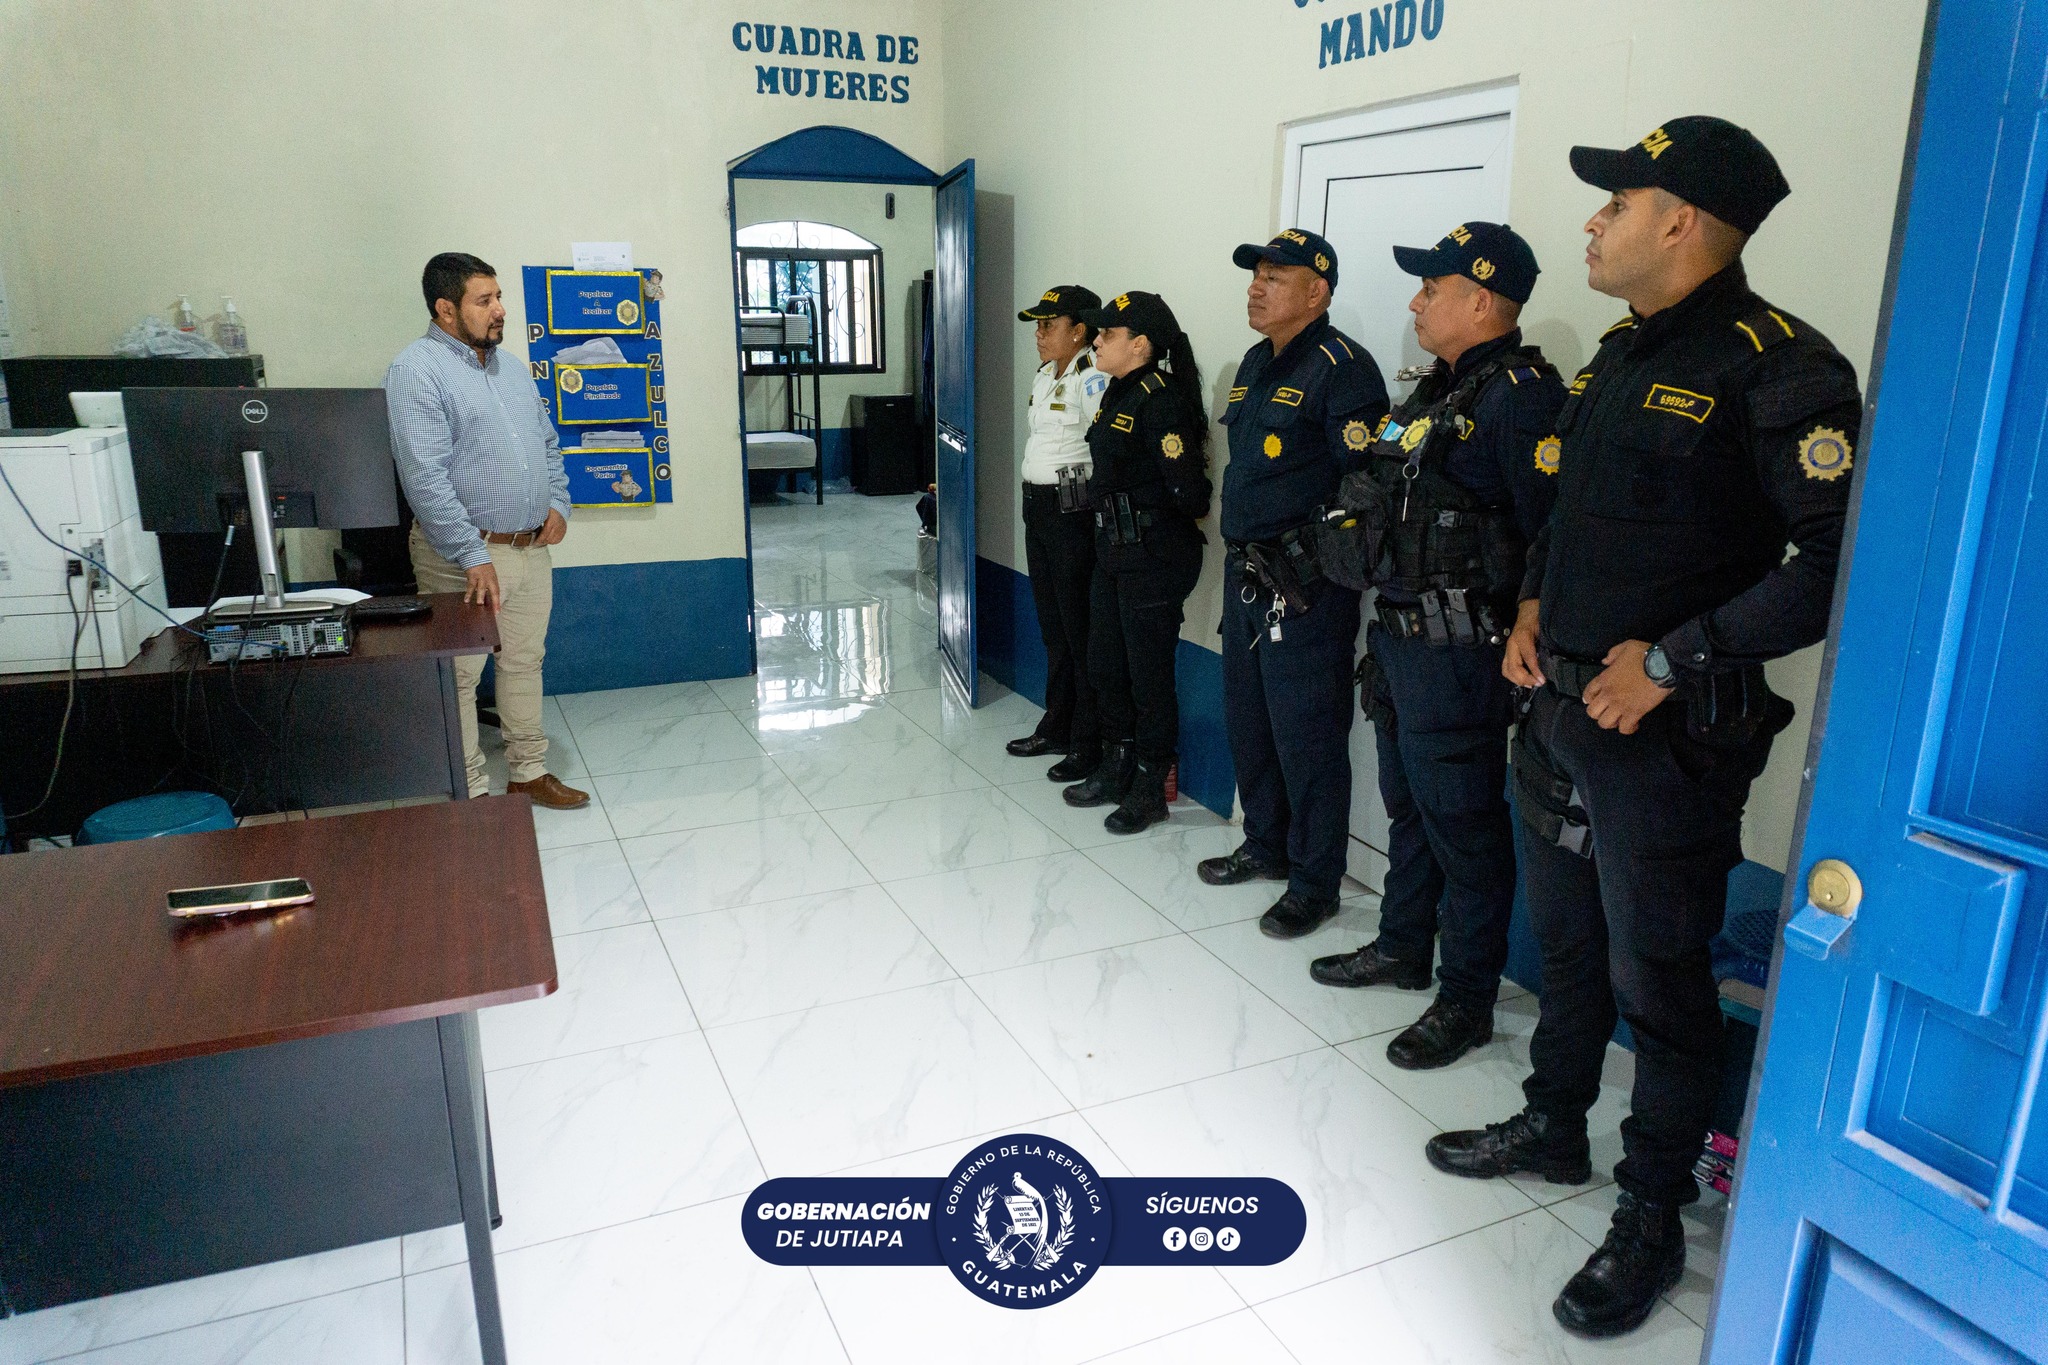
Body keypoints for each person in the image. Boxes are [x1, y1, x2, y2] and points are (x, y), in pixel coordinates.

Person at [1425, 118, 1862, 1338]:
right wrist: (1529, 605)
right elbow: (1567, 518)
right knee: (1566, 948)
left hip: (1661, 742)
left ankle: (1650, 1213)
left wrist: (1674, 660)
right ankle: (1551, 1123)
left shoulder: (1780, 368)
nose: (1592, 220)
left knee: (1657, 982)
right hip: (1556, 707)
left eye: (1615, 203)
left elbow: (1832, 563)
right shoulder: (1617, 355)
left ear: (1679, 222)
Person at [1308, 223, 1565, 1072]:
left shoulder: (1521, 396)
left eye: (1432, 288)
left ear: (1481, 300)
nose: (1415, 302)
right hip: (1400, 643)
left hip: (1461, 656)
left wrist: (1528, 622)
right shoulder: (1436, 394)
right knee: (1409, 809)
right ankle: (1401, 943)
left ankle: (1467, 999)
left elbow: (1551, 531)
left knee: (1465, 830)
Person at [1195, 230, 1390, 936]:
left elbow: (1365, 491)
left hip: (1305, 588)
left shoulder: (1345, 370)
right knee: (1251, 722)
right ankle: (1265, 843)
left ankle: (1314, 882)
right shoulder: (1257, 360)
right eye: (1256, 275)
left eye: (1275, 277)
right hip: (1247, 574)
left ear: (1317, 291)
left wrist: (1312, 562)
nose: (1257, 286)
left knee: (1308, 739)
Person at [385, 251, 588, 810]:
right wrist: (470, 553)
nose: (500, 309)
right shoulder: (416, 369)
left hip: (528, 548)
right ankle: (470, 790)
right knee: (459, 677)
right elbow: (423, 474)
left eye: (499, 297)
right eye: (485, 300)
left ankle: (528, 771)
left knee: (524, 661)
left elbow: (547, 444)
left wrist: (559, 503)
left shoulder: (512, 368)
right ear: (445, 309)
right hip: (465, 557)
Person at [1059, 291, 1212, 834]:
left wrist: (1144, 515)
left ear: (1141, 345)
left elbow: (1190, 492)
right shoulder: (1118, 392)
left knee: (1148, 677)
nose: (1096, 340)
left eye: (1108, 334)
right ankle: (1116, 764)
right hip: (1114, 550)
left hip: (1152, 555)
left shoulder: (1160, 398)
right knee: (1106, 662)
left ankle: (1150, 785)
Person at [1006, 285, 1110, 781]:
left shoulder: (1092, 378)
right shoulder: (1046, 373)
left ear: (1079, 331)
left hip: (1072, 512)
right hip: (1038, 508)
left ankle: (1087, 740)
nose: (1039, 334)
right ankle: (1057, 724)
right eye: (1038, 325)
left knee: (1078, 628)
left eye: (1049, 325)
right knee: (1053, 628)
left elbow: (1104, 448)